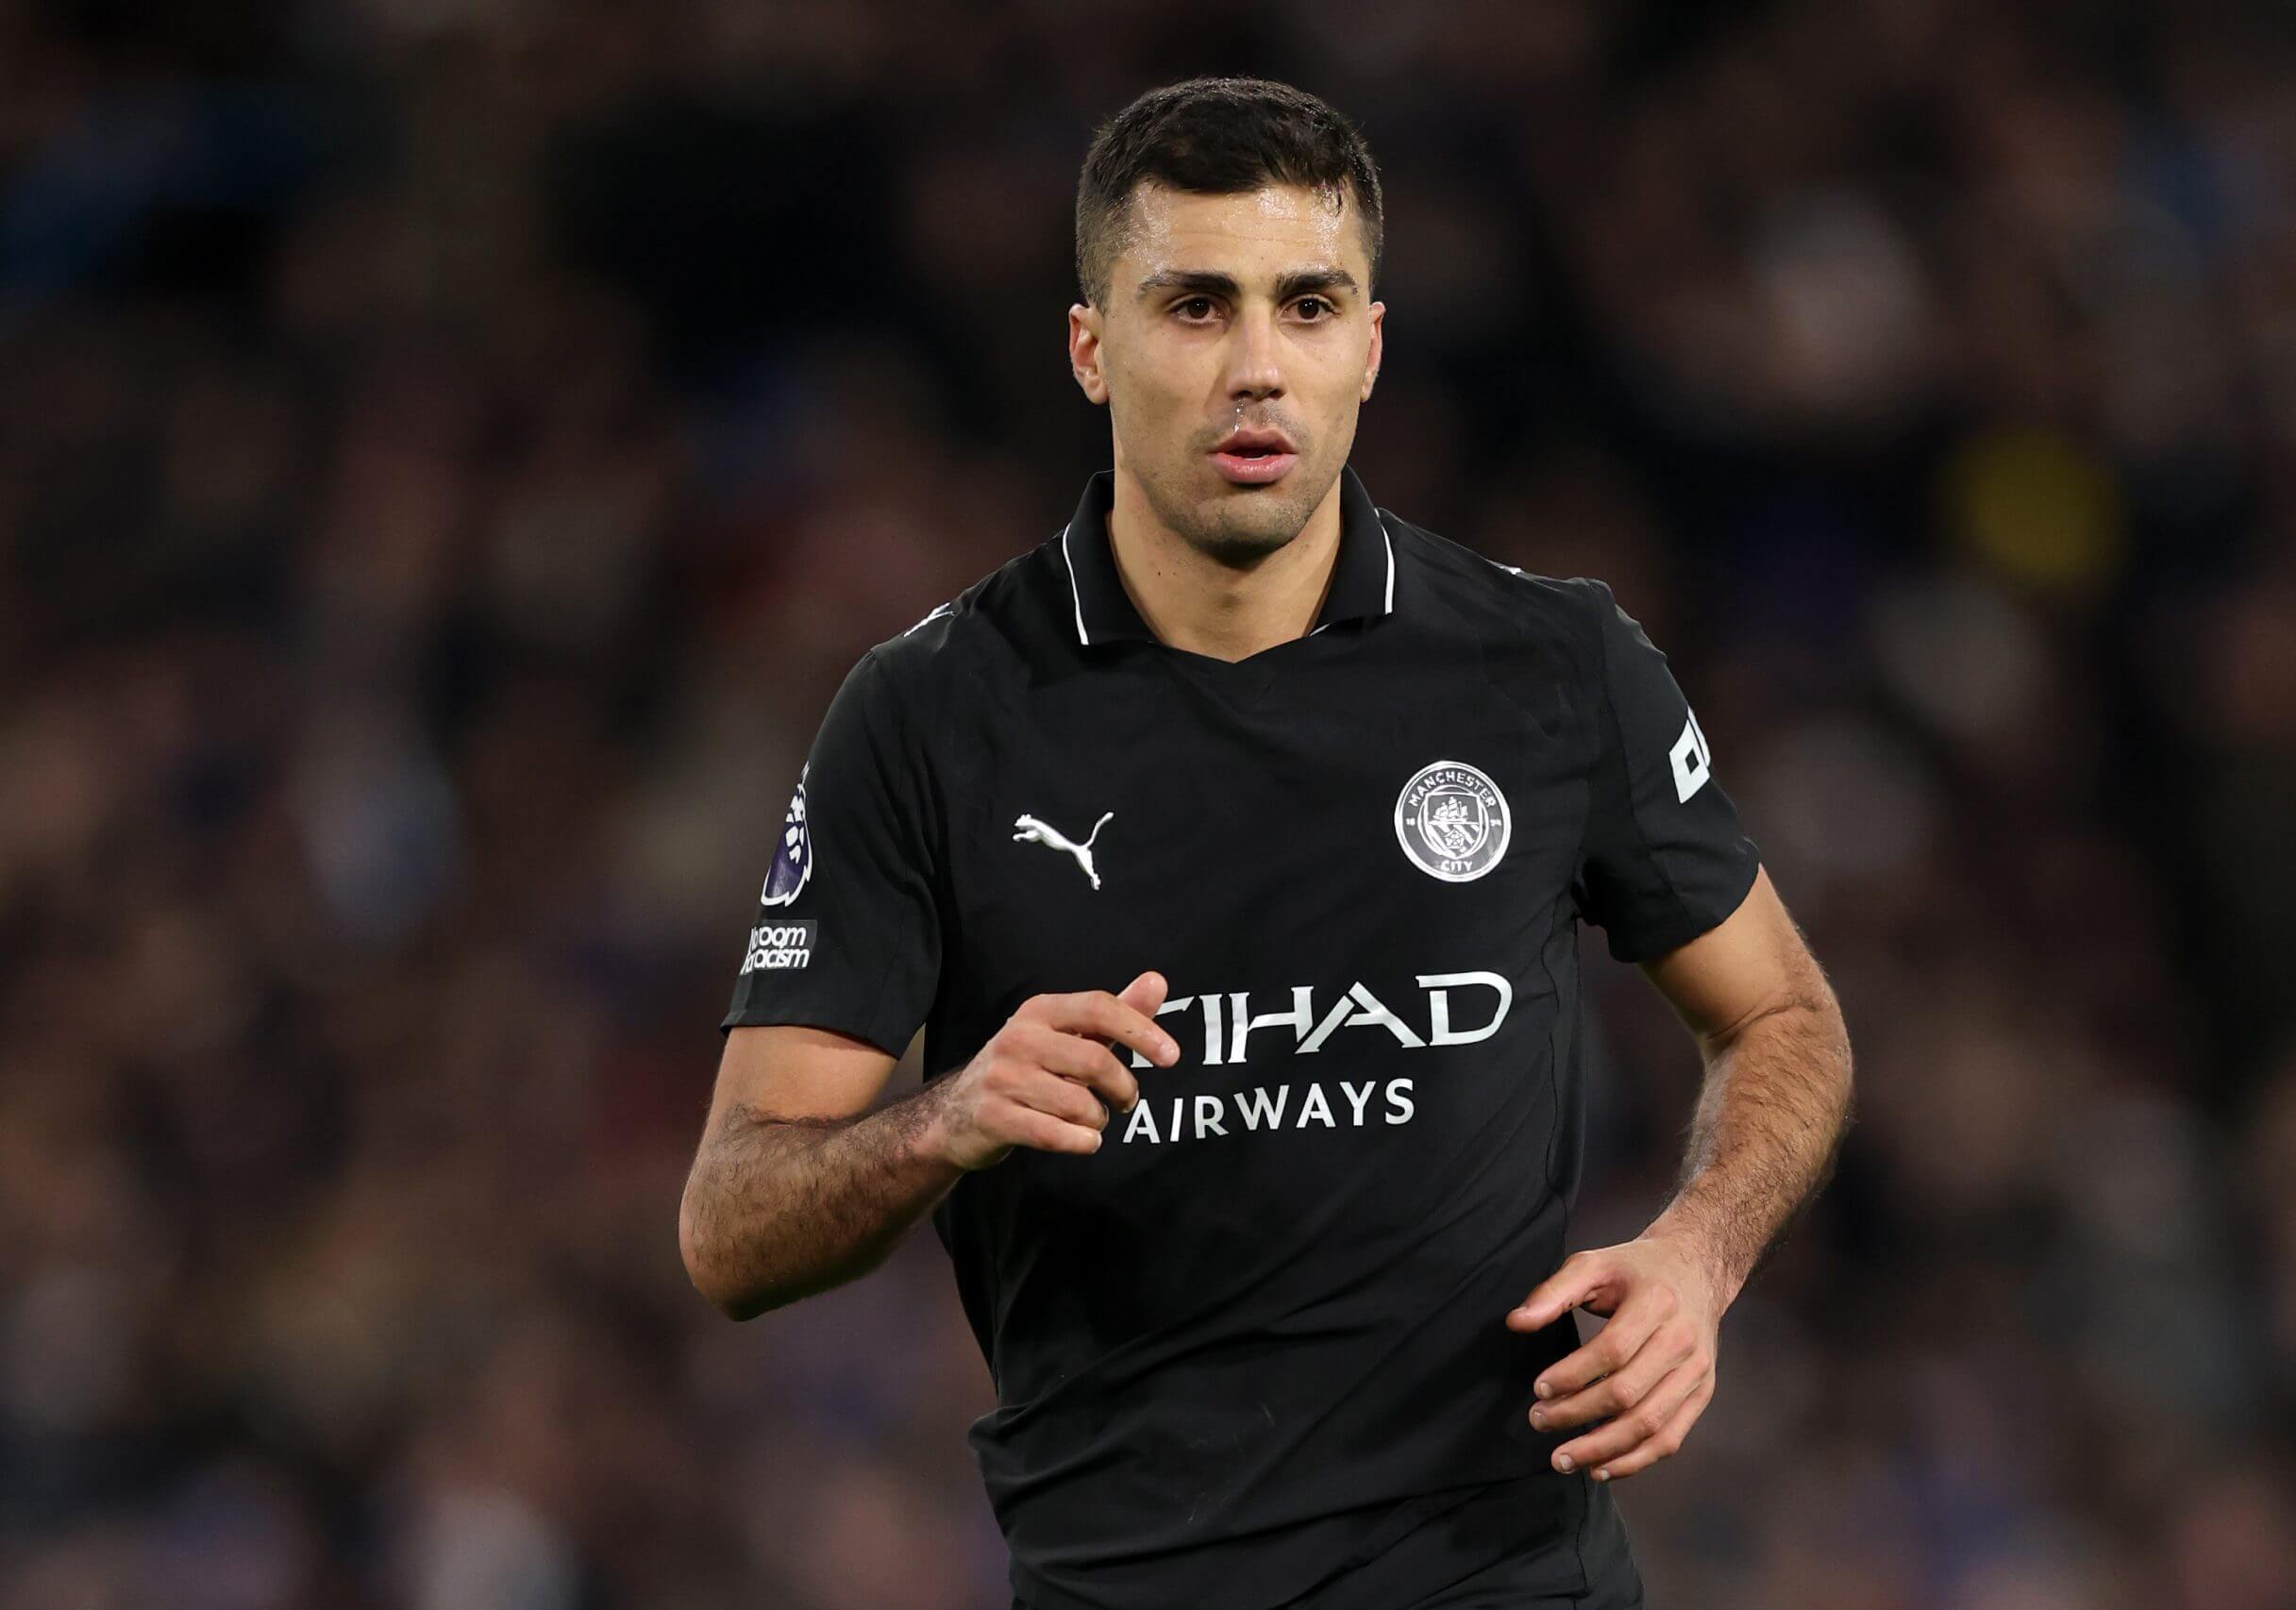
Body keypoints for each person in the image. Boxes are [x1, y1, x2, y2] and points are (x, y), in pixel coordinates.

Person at [679, 75, 1854, 1610]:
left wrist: (1702, 1252)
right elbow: (731, 1226)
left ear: (1369, 347)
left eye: (1308, 306)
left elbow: (1784, 1014)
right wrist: (945, 1116)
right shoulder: (927, 717)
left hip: (1501, 1578)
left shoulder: (1552, 666)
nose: (1256, 368)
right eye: (1194, 306)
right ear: (1091, 348)